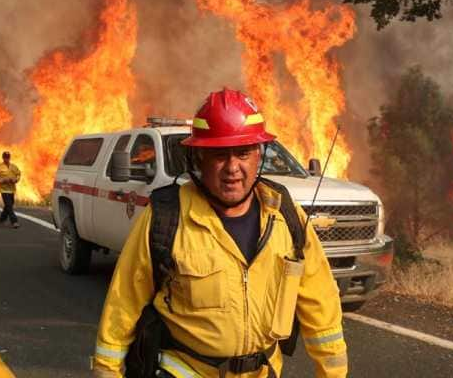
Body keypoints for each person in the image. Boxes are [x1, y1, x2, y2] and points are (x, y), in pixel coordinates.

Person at [91, 89, 347, 378]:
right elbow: (124, 299)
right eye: (219, 155)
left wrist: (332, 372)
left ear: (258, 155)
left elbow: (320, 301)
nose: (232, 168)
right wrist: (106, 369)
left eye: (242, 153)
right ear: (199, 157)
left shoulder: (285, 215)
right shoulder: (166, 216)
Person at [0, 151, 21, 229]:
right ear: (3, 158)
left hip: (12, 189)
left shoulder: (14, 167)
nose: (6, 159)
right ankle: (14, 221)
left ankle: (2, 218)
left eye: (8, 157)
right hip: (4, 190)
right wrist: (1, 180)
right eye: (5, 157)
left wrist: (15, 179)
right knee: (9, 206)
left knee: (9, 205)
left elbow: (18, 174)